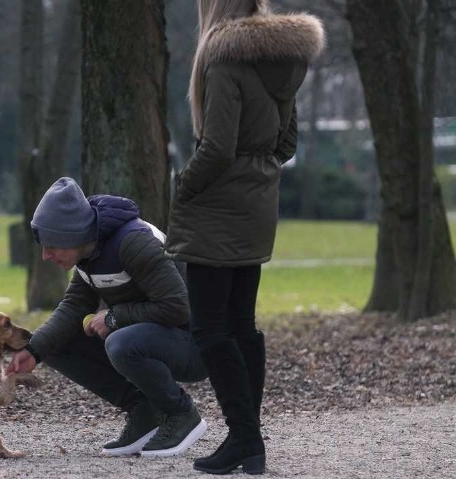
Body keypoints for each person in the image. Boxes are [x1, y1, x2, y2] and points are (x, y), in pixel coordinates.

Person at [164, 0, 325, 475]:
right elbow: (287, 142)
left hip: (216, 207)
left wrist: (183, 187)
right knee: (240, 324)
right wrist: (257, 170)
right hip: (257, 202)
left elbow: (216, 147)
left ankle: (245, 438)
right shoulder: (281, 61)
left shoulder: (222, 59)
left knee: (210, 329)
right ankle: (247, 440)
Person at [6, 177, 208, 457]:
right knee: (54, 343)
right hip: (151, 338)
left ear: (71, 235)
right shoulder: (88, 254)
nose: (45, 256)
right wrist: (34, 350)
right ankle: (143, 410)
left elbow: (177, 307)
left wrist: (113, 318)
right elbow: (73, 306)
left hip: (195, 346)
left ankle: (181, 413)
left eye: (51, 245)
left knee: (121, 341)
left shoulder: (132, 241)